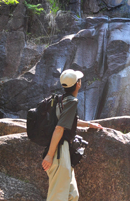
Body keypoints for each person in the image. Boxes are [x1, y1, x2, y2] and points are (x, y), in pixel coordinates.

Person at [41, 69, 103, 201]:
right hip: (59, 152)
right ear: (78, 84)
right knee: (57, 197)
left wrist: (89, 125)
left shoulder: (61, 99)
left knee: (72, 195)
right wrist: (49, 155)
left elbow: (70, 120)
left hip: (64, 153)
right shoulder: (71, 102)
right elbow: (59, 128)